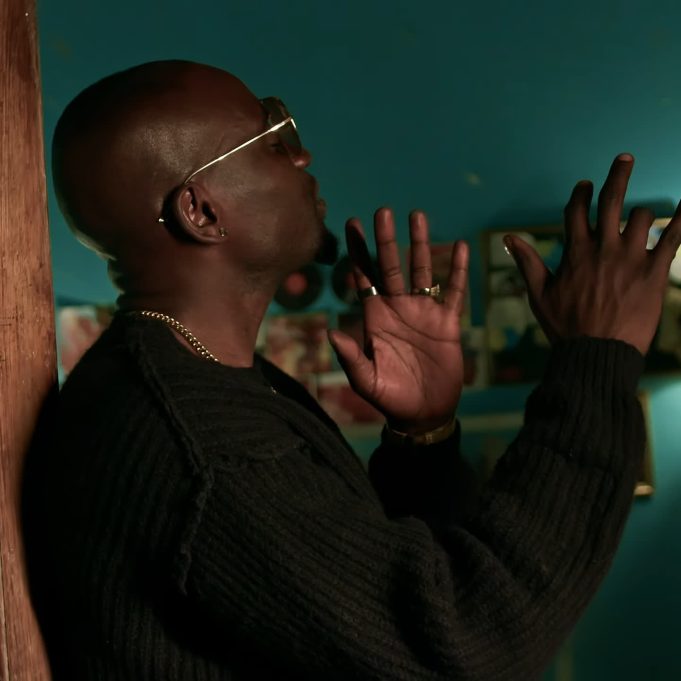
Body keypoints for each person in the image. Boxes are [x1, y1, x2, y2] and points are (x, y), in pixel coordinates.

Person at [25, 59, 681, 680]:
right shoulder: (201, 449)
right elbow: (462, 643)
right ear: (202, 211)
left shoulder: (193, 381)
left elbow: (379, 601)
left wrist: (423, 439)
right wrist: (596, 357)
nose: (302, 156)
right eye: (274, 140)